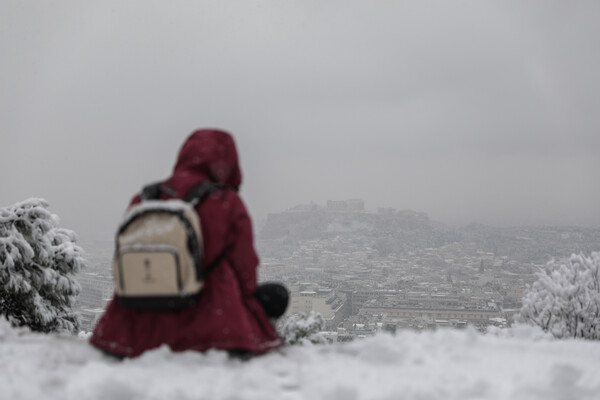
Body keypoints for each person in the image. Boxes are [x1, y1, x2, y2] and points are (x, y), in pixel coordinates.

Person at [90, 129, 288, 358]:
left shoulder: (146, 198)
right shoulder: (226, 202)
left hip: (132, 327)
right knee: (276, 295)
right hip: (211, 327)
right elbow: (246, 273)